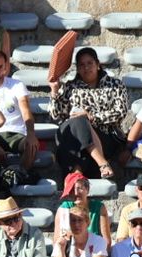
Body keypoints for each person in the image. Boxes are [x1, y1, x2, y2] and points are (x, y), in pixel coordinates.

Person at [50, 47, 129, 181]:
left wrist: (92, 116)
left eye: (89, 63)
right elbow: (56, 114)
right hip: (76, 138)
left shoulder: (115, 85)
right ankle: (99, 165)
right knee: (75, 124)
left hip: (105, 136)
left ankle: (76, 178)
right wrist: (54, 92)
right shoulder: (70, 86)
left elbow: (121, 111)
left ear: (98, 64)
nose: (86, 68)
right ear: (78, 69)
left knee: (79, 122)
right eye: (81, 65)